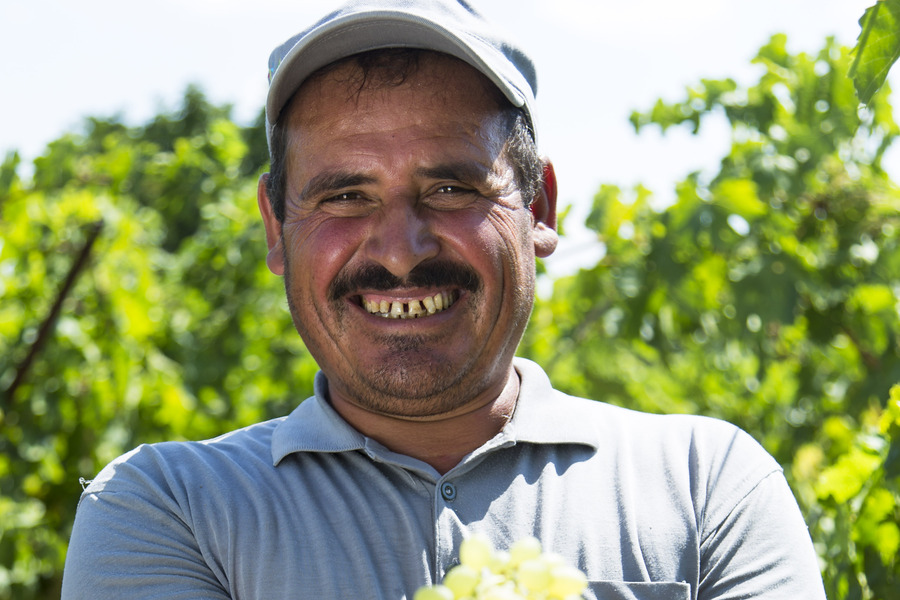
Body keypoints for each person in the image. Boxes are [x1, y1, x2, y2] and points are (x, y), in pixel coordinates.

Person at [61, 1, 827, 598]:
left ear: (540, 208)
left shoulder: (707, 486)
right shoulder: (166, 511)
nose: (400, 249)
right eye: (346, 195)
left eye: (451, 187)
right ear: (275, 226)